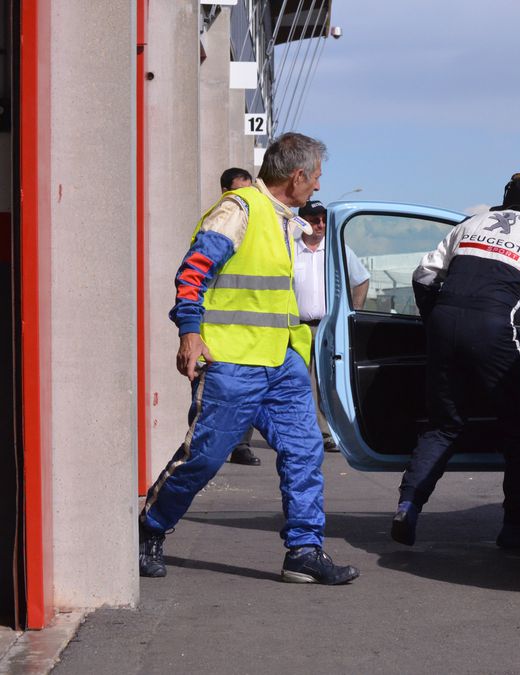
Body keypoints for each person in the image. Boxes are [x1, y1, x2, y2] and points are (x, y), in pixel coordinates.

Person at [139, 133, 359, 585]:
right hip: (231, 362)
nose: (317, 186)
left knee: (304, 450)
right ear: (297, 176)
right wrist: (190, 333)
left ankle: (304, 549)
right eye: (315, 177)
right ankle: (149, 530)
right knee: (204, 457)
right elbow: (193, 273)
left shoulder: (285, 220)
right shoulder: (239, 209)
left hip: (280, 363)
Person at [391, 166, 520, 549]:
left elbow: (423, 276)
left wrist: (435, 321)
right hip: (493, 328)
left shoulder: (471, 223)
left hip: (443, 323)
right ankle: (515, 525)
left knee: (443, 426)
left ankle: (407, 506)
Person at [294, 199, 370, 452]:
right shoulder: (290, 250)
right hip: (296, 327)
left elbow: (360, 279)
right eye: (314, 219)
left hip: (328, 327)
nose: (320, 224)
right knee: (296, 382)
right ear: (301, 220)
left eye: (324, 219)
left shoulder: (338, 250)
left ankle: (326, 433)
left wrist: (353, 312)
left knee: (327, 382)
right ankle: (297, 432)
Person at [217, 167, 263, 467]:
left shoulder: (265, 228)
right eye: (240, 193)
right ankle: (234, 445)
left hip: (263, 332)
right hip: (228, 331)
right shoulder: (221, 224)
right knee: (229, 398)